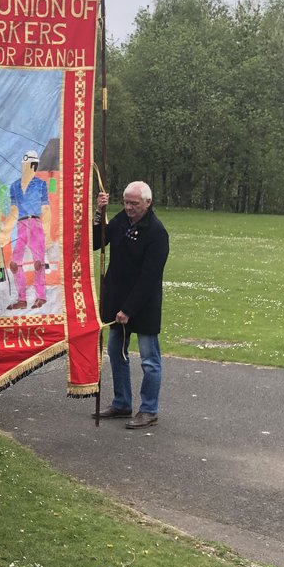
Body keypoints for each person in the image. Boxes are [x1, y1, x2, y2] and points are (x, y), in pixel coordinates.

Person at [94, 181, 169, 429]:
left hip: (142, 305)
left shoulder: (157, 233)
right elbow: (97, 242)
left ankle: (149, 410)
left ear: (147, 203)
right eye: (125, 202)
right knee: (116, 352)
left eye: (134, 203)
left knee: (149, 359)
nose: (128, 207)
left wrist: (129, 309)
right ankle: (122, 402)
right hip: (118, 301)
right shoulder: (121, 221)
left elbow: (149, 278)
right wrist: (99, 214)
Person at [1, 150, 50, 310]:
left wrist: (47, 232)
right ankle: (22, 299)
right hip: (21, 225)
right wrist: (5, 233)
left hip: (36, 223)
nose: (28, 168)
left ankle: (40, 296)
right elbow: (13, 210)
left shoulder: (41, 184)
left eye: (31, 165)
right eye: (26, 165)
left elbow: (45, 208)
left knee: (38, 263)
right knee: (15, 264)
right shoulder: (14, 186)